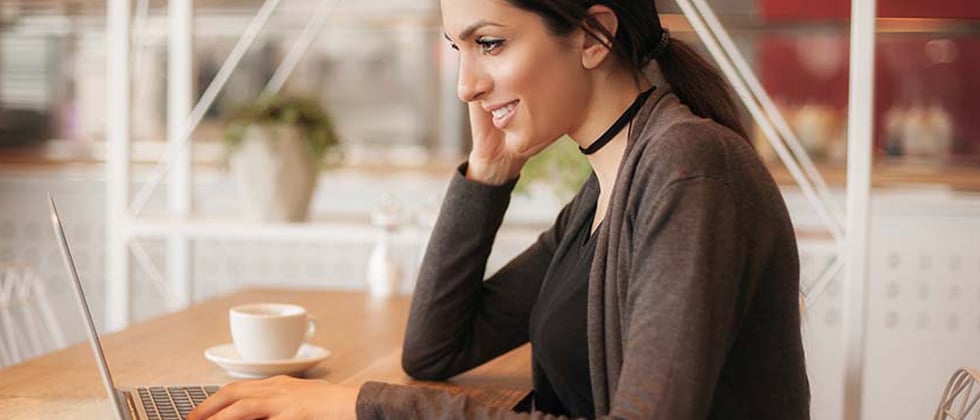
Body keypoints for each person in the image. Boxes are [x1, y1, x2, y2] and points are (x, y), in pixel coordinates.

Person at [189, 0, 811, 417]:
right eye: (459, 49)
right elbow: (435, 349)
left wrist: (355, 405)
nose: (466, 85)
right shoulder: (606, 188)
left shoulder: (688, 172)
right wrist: (488, 171)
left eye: (489, 43)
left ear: (595, 35)